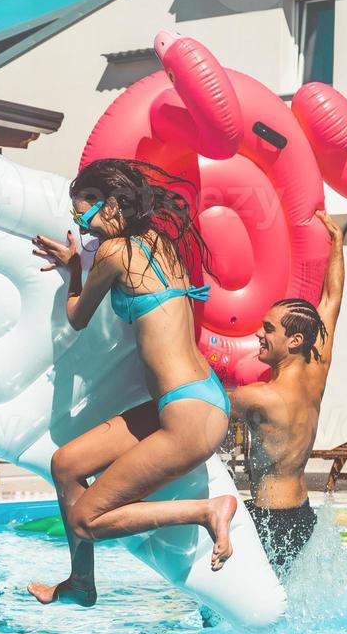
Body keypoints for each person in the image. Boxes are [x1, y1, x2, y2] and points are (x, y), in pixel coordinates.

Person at [26, 159, 238, 607]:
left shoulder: (114, 252)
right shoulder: (157, 242)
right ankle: (80, 582)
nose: (81, 224)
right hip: (191, 400)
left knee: (86, 520)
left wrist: (74, 274)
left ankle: (205, 511)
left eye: (83, 213)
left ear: (113, 204)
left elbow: (78, 317)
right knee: (65, 464)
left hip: (188, 416)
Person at [227, 210, 345, 574]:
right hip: (301, 515)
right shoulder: (317, 372)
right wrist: (337, 246)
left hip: (267, 519)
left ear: (294, 340)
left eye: (268, 329)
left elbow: (191, 401)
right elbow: (331, 298)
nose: (259, 335)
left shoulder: (259, 397)